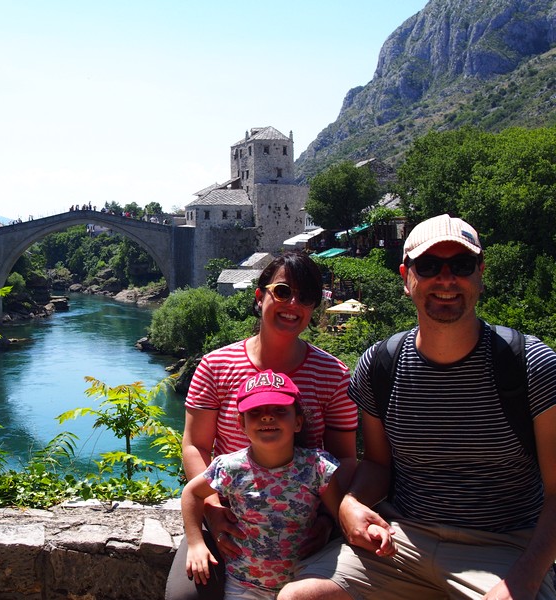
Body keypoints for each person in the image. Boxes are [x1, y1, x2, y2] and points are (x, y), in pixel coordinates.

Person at [279, 214, 556, 600]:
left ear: (480, 273)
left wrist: (523, 580)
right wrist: (351, 504)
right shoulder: (380, 364)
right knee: (299, 596)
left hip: (504, 545)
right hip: (400, 538)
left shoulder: (531, 365)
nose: (446, 279)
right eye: (428, 267)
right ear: (406, 277)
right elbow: (377, 464)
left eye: (460, 265)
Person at [166, 252, 359, 600]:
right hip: (228, 514)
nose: (293, 304)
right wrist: (211, 508)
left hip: (306, 523)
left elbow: (344, 459)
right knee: (186, 596)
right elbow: (195, 445)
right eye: (283, 291)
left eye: (307, 297)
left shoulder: (333, 374)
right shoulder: (216, 365)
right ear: (261, 296)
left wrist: (328, 521)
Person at [182, 370, 392, 599]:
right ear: (241, 424)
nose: (267, 417)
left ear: (298, 422)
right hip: (243, 584)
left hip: (303, 581)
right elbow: (192, 493)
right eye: (255, 412)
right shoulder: (230, 467)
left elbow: (341, 515)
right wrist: (196, 543)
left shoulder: (316, 467)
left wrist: (367, 529)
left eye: (279, 410)